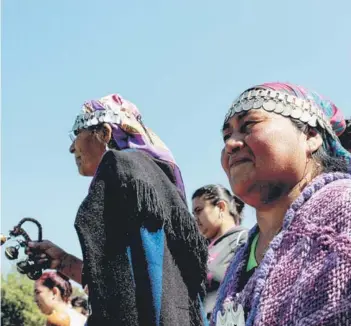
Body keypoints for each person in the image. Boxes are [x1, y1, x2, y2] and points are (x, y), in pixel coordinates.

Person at [27, 93, 208, 325]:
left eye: (77, 132)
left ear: (105, 133)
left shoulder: (117, 166)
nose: (72, 148)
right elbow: (135, 276)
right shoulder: (156, 179)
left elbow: (124, 295)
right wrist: (63, 261)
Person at [211, 82, 351, 326]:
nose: (231, 144)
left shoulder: (345, 211)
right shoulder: (242, 256)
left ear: (310, 136)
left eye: (248, 126)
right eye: (226, 136)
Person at [192, 184, 248, 320]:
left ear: (221, 207)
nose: (195, 219)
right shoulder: (201, 249)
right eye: (193, 214)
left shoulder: (244, 240)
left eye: (199, 210)